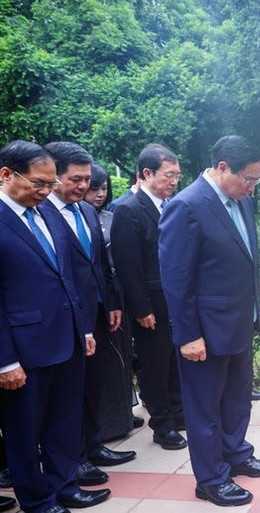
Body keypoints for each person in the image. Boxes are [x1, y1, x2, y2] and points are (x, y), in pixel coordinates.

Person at [159, 135, 260, 507]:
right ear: (223, 167)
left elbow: (246, 258)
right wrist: (188, 335)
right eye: (249, 179)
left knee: (236, 398)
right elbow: (176, 279)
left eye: (257, 180)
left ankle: (236, 454)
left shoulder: (239, 202)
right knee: (204, 408)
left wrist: (256, 304)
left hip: (238, 323)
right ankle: (211, 478)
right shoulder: (187, 206)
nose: (252, 187)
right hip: (205, 333)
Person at [0, 140, 111, 513]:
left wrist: (84, 330)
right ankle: (38, 500)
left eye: (50, 184)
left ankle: (66, 486)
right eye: (38, 184)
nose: (46, 192)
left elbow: (69, 279)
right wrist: (5, 361)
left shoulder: (47, 212)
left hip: (67, 340)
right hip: (23, 350)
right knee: (24, 433)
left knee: (64, 424)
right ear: (5, 175)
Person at [40, 143, 136, 487]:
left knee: (93, 383)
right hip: (67, 319)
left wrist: (110, 302)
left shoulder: (85, 212)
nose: (83, 187)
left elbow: (100, 266)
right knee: (70, 394)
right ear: (54, 177)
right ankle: (74, 458)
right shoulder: (43, 215)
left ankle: (94, 444)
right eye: (75, 179)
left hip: (96, 312)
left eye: (87, 179)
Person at [111, 144, 186, 450]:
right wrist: (141, 308)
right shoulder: (129, 210)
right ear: (146, 173)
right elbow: (128, 267)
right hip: (151, 306)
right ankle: (162, 424)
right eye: (169, 175)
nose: (174, 181)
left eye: (177, 176)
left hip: (177, 302)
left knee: (176, 362)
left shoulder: (174, 206)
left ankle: (179, 413)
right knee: (155, 367)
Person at [83, 164, 140, 438]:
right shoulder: (75, 218)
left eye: (103, 188)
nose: (98, 194)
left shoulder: (110, 216)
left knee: (121, 359)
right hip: (89, 301)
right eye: (94, 188)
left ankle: (122, 416)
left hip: (116, 294)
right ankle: (103, 426)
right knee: (101, 364)